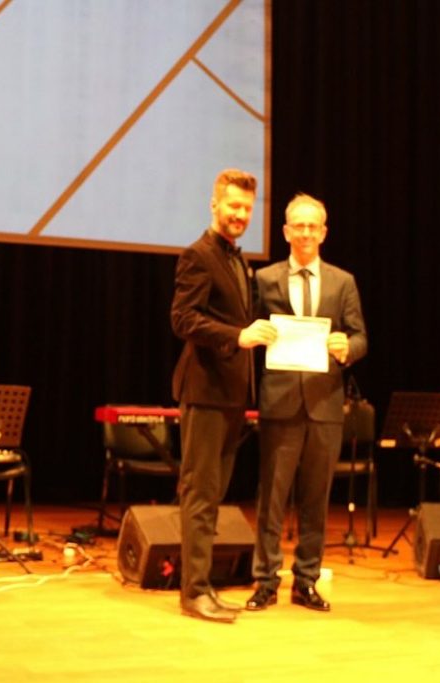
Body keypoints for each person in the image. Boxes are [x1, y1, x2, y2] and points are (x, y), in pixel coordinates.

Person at [246, 193, 367, 612]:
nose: (306, 233)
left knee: (316, 499)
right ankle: (265, 581)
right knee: (271, 498)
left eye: (313, 226)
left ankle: (306, 581)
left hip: (325, 405)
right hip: (279, 402)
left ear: (324, 232)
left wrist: (347, 348)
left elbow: (360, 337)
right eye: (298, 225)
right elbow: (248, 327)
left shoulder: (342, 282)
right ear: (285, 231)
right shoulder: (264, 279)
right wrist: (257, 332)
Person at [170, 168, 277, 623]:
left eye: (248, 208)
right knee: (200, 494)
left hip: (232, 396)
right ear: (214, 205)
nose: (241, 214)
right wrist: (239, 335)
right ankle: (193, 592)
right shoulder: (197, 255)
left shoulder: (237, 259)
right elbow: (183, 319)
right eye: (234, 205)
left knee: (213, 496)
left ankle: (204, 586)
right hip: (206, 391)